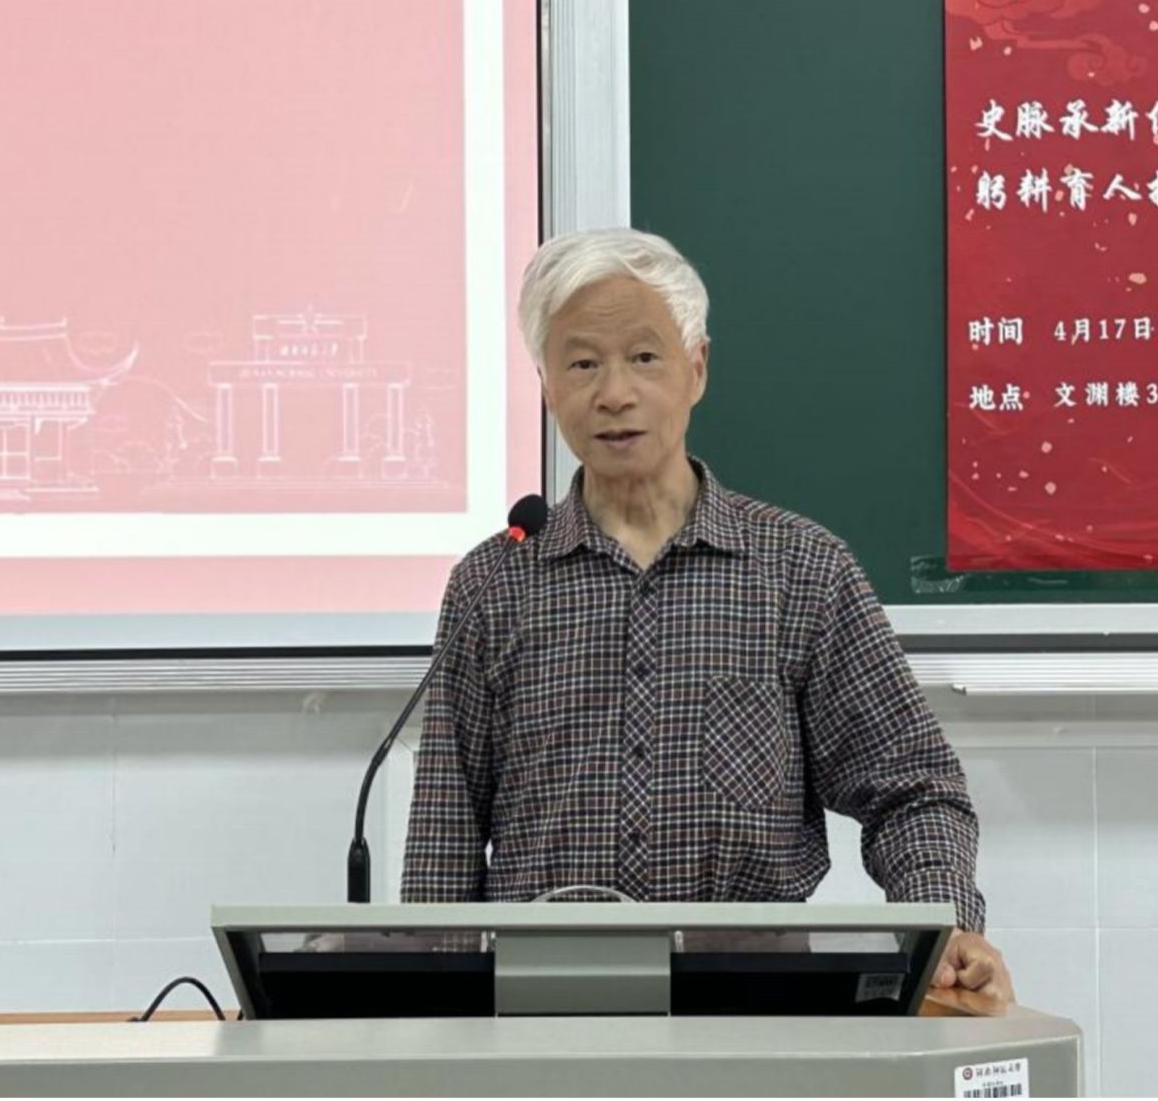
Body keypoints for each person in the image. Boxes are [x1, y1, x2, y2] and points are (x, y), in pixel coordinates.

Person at [401, 228, 1012, 1011]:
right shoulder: (493, 584)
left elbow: (912, 789)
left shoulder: (800, 570)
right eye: (582, 363)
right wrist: (432, 1015)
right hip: (539, 1005)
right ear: (546, 383)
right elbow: (445, 837)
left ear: (697, 367)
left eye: (644, 357)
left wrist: (943, 929)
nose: (613, 393)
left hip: (757, 1005)